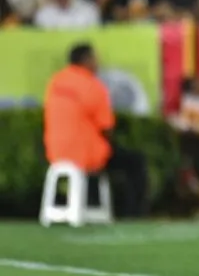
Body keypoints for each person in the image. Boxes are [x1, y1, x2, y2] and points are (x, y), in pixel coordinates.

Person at [43, 43, 149, 217]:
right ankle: (134, 215)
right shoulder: (92, 86)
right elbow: (107, 128)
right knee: (135, 162)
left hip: (55, 153)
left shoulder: (55, 82)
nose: (98, 63)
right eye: (95, 59)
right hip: (85, 155)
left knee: (96, 154)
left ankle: (88, 203)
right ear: (86, 60)